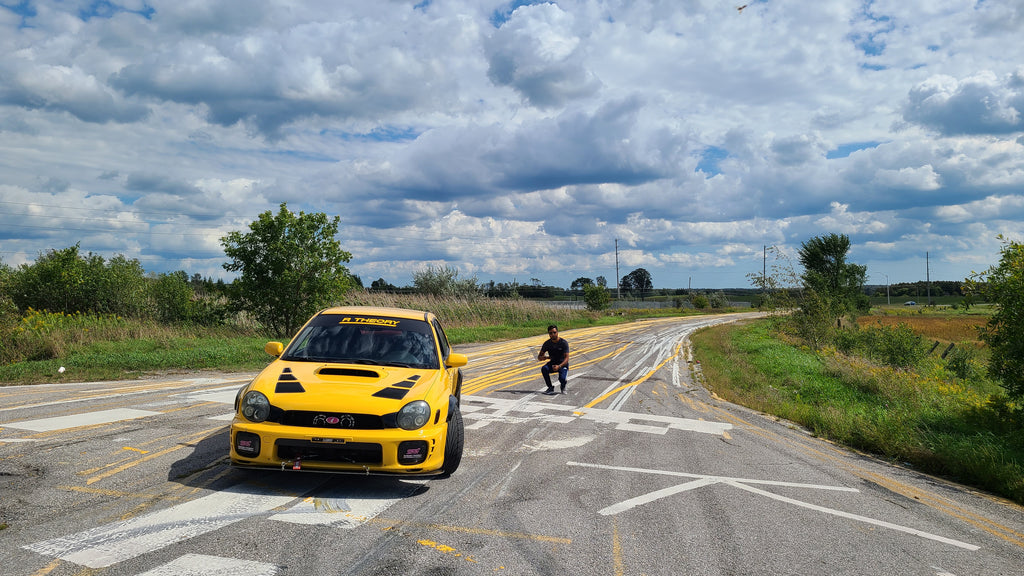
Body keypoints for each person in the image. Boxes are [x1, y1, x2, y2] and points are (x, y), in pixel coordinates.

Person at [538, 325, 569, 395]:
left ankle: (563, 386)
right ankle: (550, 387)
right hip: (552, 363)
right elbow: (539, 356)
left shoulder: (563, 343)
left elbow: (566, 358)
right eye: (550, 333)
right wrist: (543, 358)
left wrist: (559, 366)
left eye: (554, 332)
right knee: (544, 369)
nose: (553, 334)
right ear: (549, 334)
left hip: (562, 364)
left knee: (562, 379)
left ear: (557, 332)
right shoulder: (547, 343)